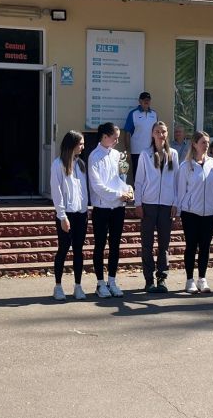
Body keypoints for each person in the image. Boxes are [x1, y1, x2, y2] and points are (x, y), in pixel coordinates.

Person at [89, 122, 135, 298]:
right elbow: (97, 186)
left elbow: (121, 178)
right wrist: (118, 194)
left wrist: (128, 189)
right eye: (115, 137)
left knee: (115, 245)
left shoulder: (117, 155)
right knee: (100, 245)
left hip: (118, 208)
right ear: (105, 136)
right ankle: (100, 283)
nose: (117, 141)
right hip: (101, 208)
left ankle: (112, 281)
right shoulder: (94, 156)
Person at [135, 121, 179, 293]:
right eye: (157, 131)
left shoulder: (173, 154)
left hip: (167, 205)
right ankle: (149, 280)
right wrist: (138, 202)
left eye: (164, 131)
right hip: (149, 204)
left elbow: (176, 181)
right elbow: (139, 180)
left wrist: (176, 203)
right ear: (152, 134)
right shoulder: (145, 154)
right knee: (147, 244)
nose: (161, 134)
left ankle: (162, 278)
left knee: (164, 244)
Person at [175, 132, 213, 294]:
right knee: (191, 246)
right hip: (190, 213)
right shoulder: (185, 166)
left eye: (207, 142)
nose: (206, 145)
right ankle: (189, 280)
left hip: (209, 213)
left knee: (205, 246)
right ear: (194, 144)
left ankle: (202, 279)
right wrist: (178, 212)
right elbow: (180, 191)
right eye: (203, 142)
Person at [50, 130, 89, 301]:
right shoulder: (58, 164)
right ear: (72, 144)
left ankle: (78, 286)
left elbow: (83, 190)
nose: (82, 147)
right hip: (66, 215)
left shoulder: (80, 164)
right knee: (63, 249)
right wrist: (62, 215)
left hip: (81, 213)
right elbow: (56, 191)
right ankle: (58, 286)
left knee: (79, 250)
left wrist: (85, 208)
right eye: (80, 144)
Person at [122, 91, 157, 183]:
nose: (146, 101)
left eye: (148, 100)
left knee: (150, 176)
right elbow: (127, 132)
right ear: (140, 101)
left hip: (151, 151)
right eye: (144, 99)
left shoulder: (154, 114)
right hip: (137, 151)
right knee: (138, 176)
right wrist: (128, 150)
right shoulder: (133, 114)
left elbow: (157, 131)